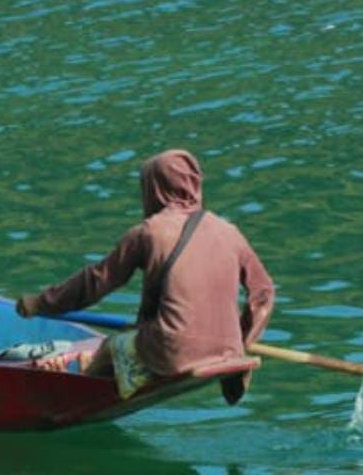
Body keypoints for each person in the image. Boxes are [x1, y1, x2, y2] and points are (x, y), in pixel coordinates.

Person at [14, 149, 274, 403]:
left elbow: (95, 282)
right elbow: (263, 294)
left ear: (154, 189)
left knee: (109, 350)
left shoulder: (148, 233)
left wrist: (39, 303)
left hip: (171, 348)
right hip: (228, 351)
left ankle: (75, 402)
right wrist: (242, 341)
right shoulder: (230, 232)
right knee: (141, 336)